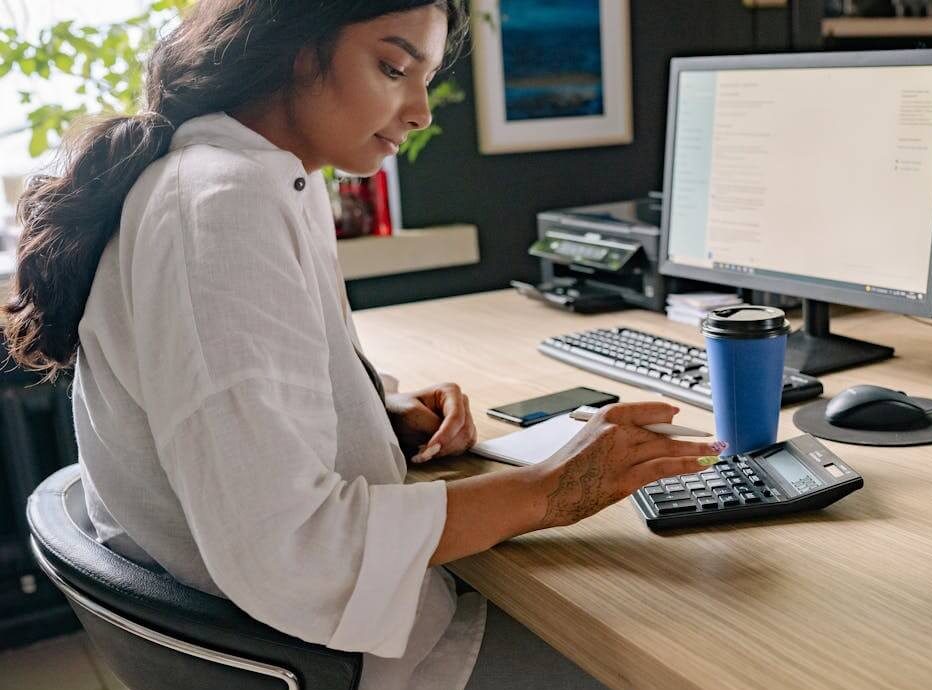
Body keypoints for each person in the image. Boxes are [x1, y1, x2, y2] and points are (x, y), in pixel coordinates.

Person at [1, 2, 722, 688]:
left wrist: (376, 414)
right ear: (294, 43)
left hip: (321, 632)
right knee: (706, 648)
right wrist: (551, 491)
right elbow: (293, 548)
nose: (419, 110)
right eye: (392, 68)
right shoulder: (222, 209)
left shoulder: (257, 180)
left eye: (425, 78)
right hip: (361, 661)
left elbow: (235, 411)